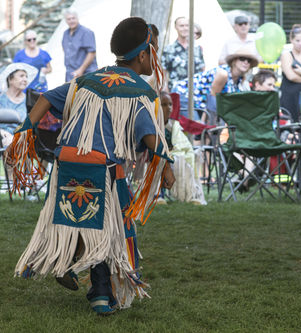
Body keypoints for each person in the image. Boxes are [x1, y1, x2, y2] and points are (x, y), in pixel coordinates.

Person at [9, 17, 175, 315]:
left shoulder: (88, 79)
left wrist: (24, 132)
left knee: (76, 219)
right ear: (142, 54)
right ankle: (99, 292)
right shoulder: (139, 91)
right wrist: (166, 165)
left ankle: (69, 263)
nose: (157, 58)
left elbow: (47, 98)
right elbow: (149, 134)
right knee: (109, 230)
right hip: (103, 166)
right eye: (156, 51)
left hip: (67, 160)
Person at [173, 47, 259, 119]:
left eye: (249, 60)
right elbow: (212, 100)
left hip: (199, 104)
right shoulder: (223, 74)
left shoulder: (240, 81)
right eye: (242, 59)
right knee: (198, 130)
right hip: (184, 95)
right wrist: (204, 122)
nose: (246, 62)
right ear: (234, 61)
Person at [159, 91, 206, 205]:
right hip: (156, 156)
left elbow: (184, 145)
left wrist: (175, 151)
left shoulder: (174, 125)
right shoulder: (151, 124)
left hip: (174, 155)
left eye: (170, 104)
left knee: (186, 161)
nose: (168, 108)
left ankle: (192, 194)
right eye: (164, 105)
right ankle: (158, 195)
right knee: (159, 161)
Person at [162, 17, 205, 92]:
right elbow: (163, 71)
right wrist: (165, 89)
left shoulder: (197, 48)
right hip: (176, 91)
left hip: (196, 91)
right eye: (181, 26)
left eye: (187, 25)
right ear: (176, 27)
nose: (185, 28)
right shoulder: (168, 49)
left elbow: (202, 69)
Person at [0, 63, 37, 135]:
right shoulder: (1, 99)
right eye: (21, 76)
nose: (25, 79)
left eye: (26, 77)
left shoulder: (29, 100)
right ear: (10, 80)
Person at [62, 9, 98, 82]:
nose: (71, 21)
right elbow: (65, 50)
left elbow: (92, 53)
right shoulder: (65, 34)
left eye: (73, 18)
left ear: (77, 18)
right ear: (66, 21)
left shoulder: (86, 32)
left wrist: (81, 70)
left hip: (86, 74)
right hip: (71, 74)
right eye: (69, 19)